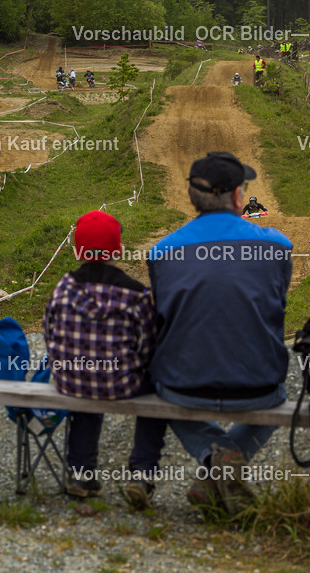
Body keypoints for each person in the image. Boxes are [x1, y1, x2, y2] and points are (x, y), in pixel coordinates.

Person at [143, 152, 292, 516]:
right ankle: (226, 463)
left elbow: (164, 314)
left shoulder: (162, 252)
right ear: (238, 196)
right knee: (282, 392)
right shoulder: (278, 247)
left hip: (182, 387)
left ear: (192, 196)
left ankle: (213, 463)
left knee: (158, 385)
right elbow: (275, 304)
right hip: (260, 386)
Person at [44, 210, 167, 504]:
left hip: (71, 379)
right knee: (157, 393)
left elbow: (49, 334)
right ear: (120, 250)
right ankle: (142, 474)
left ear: (76, 252)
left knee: (87, 385)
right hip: (121, 383)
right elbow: (149, 344)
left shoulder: (63, 288)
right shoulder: (136, 294)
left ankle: (81, 475)